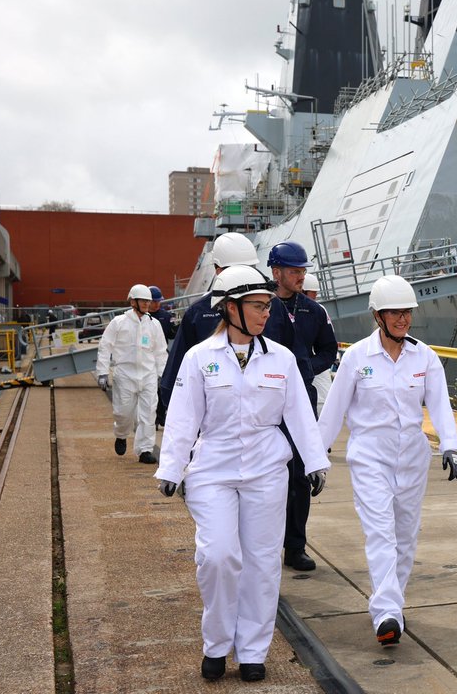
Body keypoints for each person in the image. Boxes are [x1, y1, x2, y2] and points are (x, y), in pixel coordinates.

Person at [154, 265, 330, 683]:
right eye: (256, 305)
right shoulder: (200, 359)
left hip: (267, 470)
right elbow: (182, 419)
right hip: (212, 469)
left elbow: (300, 416)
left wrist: (315, 462)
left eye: (267, 305)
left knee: (262, 562)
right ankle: (216, 643)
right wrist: (171, 468)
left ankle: (252, 650)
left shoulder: (281, 358)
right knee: (218, 556)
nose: (264, 313)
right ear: (229, 308)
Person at [318, 274, 457, 647]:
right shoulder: (356, 358)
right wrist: (316, 458)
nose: (403, 319)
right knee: (380, 532)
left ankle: (392, 605)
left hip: (413, 457)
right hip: (370, 456)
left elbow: (441, 406)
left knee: (405, 536)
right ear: (378, 316)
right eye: (395, 312)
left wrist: (451, 446)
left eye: (407, 312)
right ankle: (385, 612)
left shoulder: (424, 357)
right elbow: (333, 412)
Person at [262, 241, 338, 571]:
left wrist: (305, 367)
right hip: (264, 404)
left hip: (301, 403)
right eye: (295, 271)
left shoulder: (313, 311)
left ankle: (295, 547)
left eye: (303, 271)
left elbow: (328, 350)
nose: (301, 276)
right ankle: (261, 549)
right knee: (263, 476)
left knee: (299, 476)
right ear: (276, 272)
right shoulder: (259, 306)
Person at [157, 232, 261, 427]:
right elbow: (176, 375)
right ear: (219, 271)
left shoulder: (274, 309)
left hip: (260, 423)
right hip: (215, 423)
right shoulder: (199, 313)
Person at [95, 284, 168, 463]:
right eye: (143, 300)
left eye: (148, 301)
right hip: (125, 375)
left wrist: (162, 374)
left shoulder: (154, 324)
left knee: (148, 414)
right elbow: (105, 346)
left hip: (148, 375)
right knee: (123, 413)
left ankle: (144, 450)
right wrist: (102, 372)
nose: (146, 304)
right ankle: (121, 434)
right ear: (132, 301)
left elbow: (160, 351)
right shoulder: (119, 323)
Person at [301, 272, 333, 416]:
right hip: (304, 364)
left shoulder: (318, 310)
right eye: (312, 294)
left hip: (316, 365)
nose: (315, 298)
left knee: (325, 403)